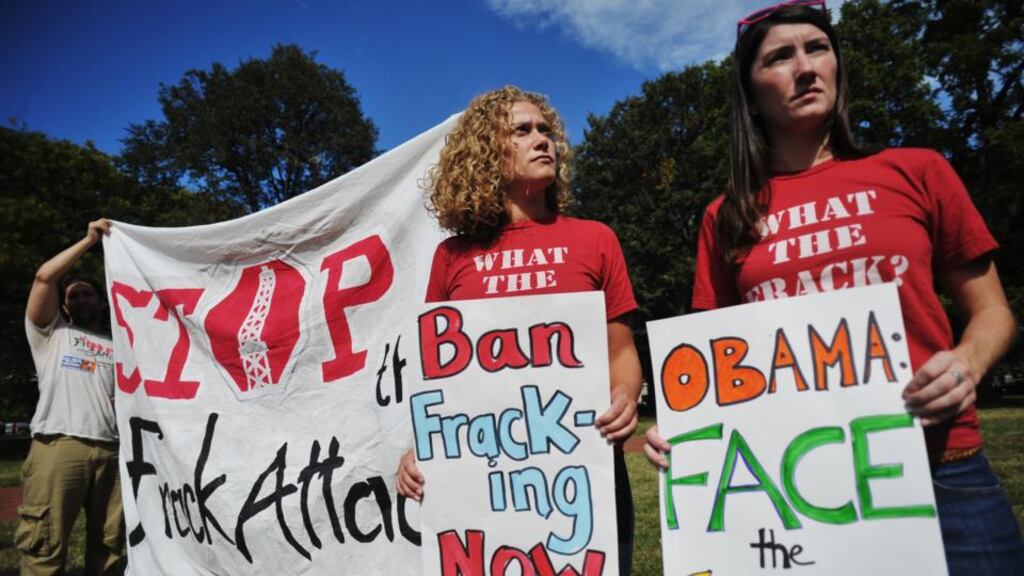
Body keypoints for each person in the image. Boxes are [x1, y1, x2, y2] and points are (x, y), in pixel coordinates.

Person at [643, 2, 1024, 574]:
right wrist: (677, 432)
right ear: (750, 91)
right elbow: (710, 367)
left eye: (817, 48)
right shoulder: (724, 216)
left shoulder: (917, 172)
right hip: (793, 490)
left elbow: (994, 310)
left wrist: (967, 363)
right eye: (779, 56)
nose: (805, 67)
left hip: (943, 467)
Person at [397, 86, 643, 574]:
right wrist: (419, 446)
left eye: (546, 130)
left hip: (585, 469)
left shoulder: (596, 239)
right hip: (483, 481)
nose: (542, 140)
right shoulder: (453, 257)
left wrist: (626, 397)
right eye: (522, 131)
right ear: (487, 153)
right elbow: (438, 378)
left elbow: (622, 352)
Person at [18, 218, 124, 575]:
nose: (81, 299)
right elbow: (44, 278)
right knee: (44, 546)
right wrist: (89, 240)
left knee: (109, 547)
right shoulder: (50, 333)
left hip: (111, 451)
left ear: (100, 301)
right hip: (60, 445)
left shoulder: (118, 343)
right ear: (64, 306)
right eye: (73, 295)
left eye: (87, 293)